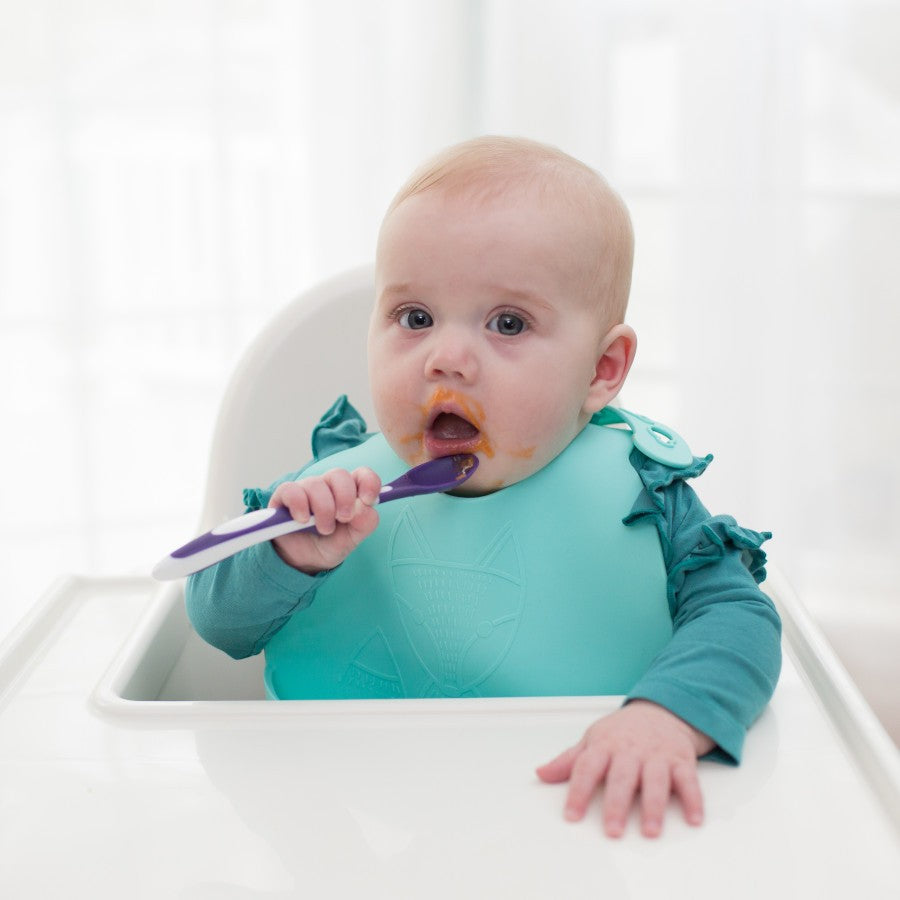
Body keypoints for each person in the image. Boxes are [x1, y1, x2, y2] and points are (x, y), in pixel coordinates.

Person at [186, 136, 781, 839]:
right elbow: (216, 625)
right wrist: (287, 557)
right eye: (414, 318)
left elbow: (740, 619)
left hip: (574, 812)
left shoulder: (642, 490)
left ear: (602, 369)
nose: (447, 359)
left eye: (508, 323)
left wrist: (668, 716)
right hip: (359, 815)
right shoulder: (331, 494)